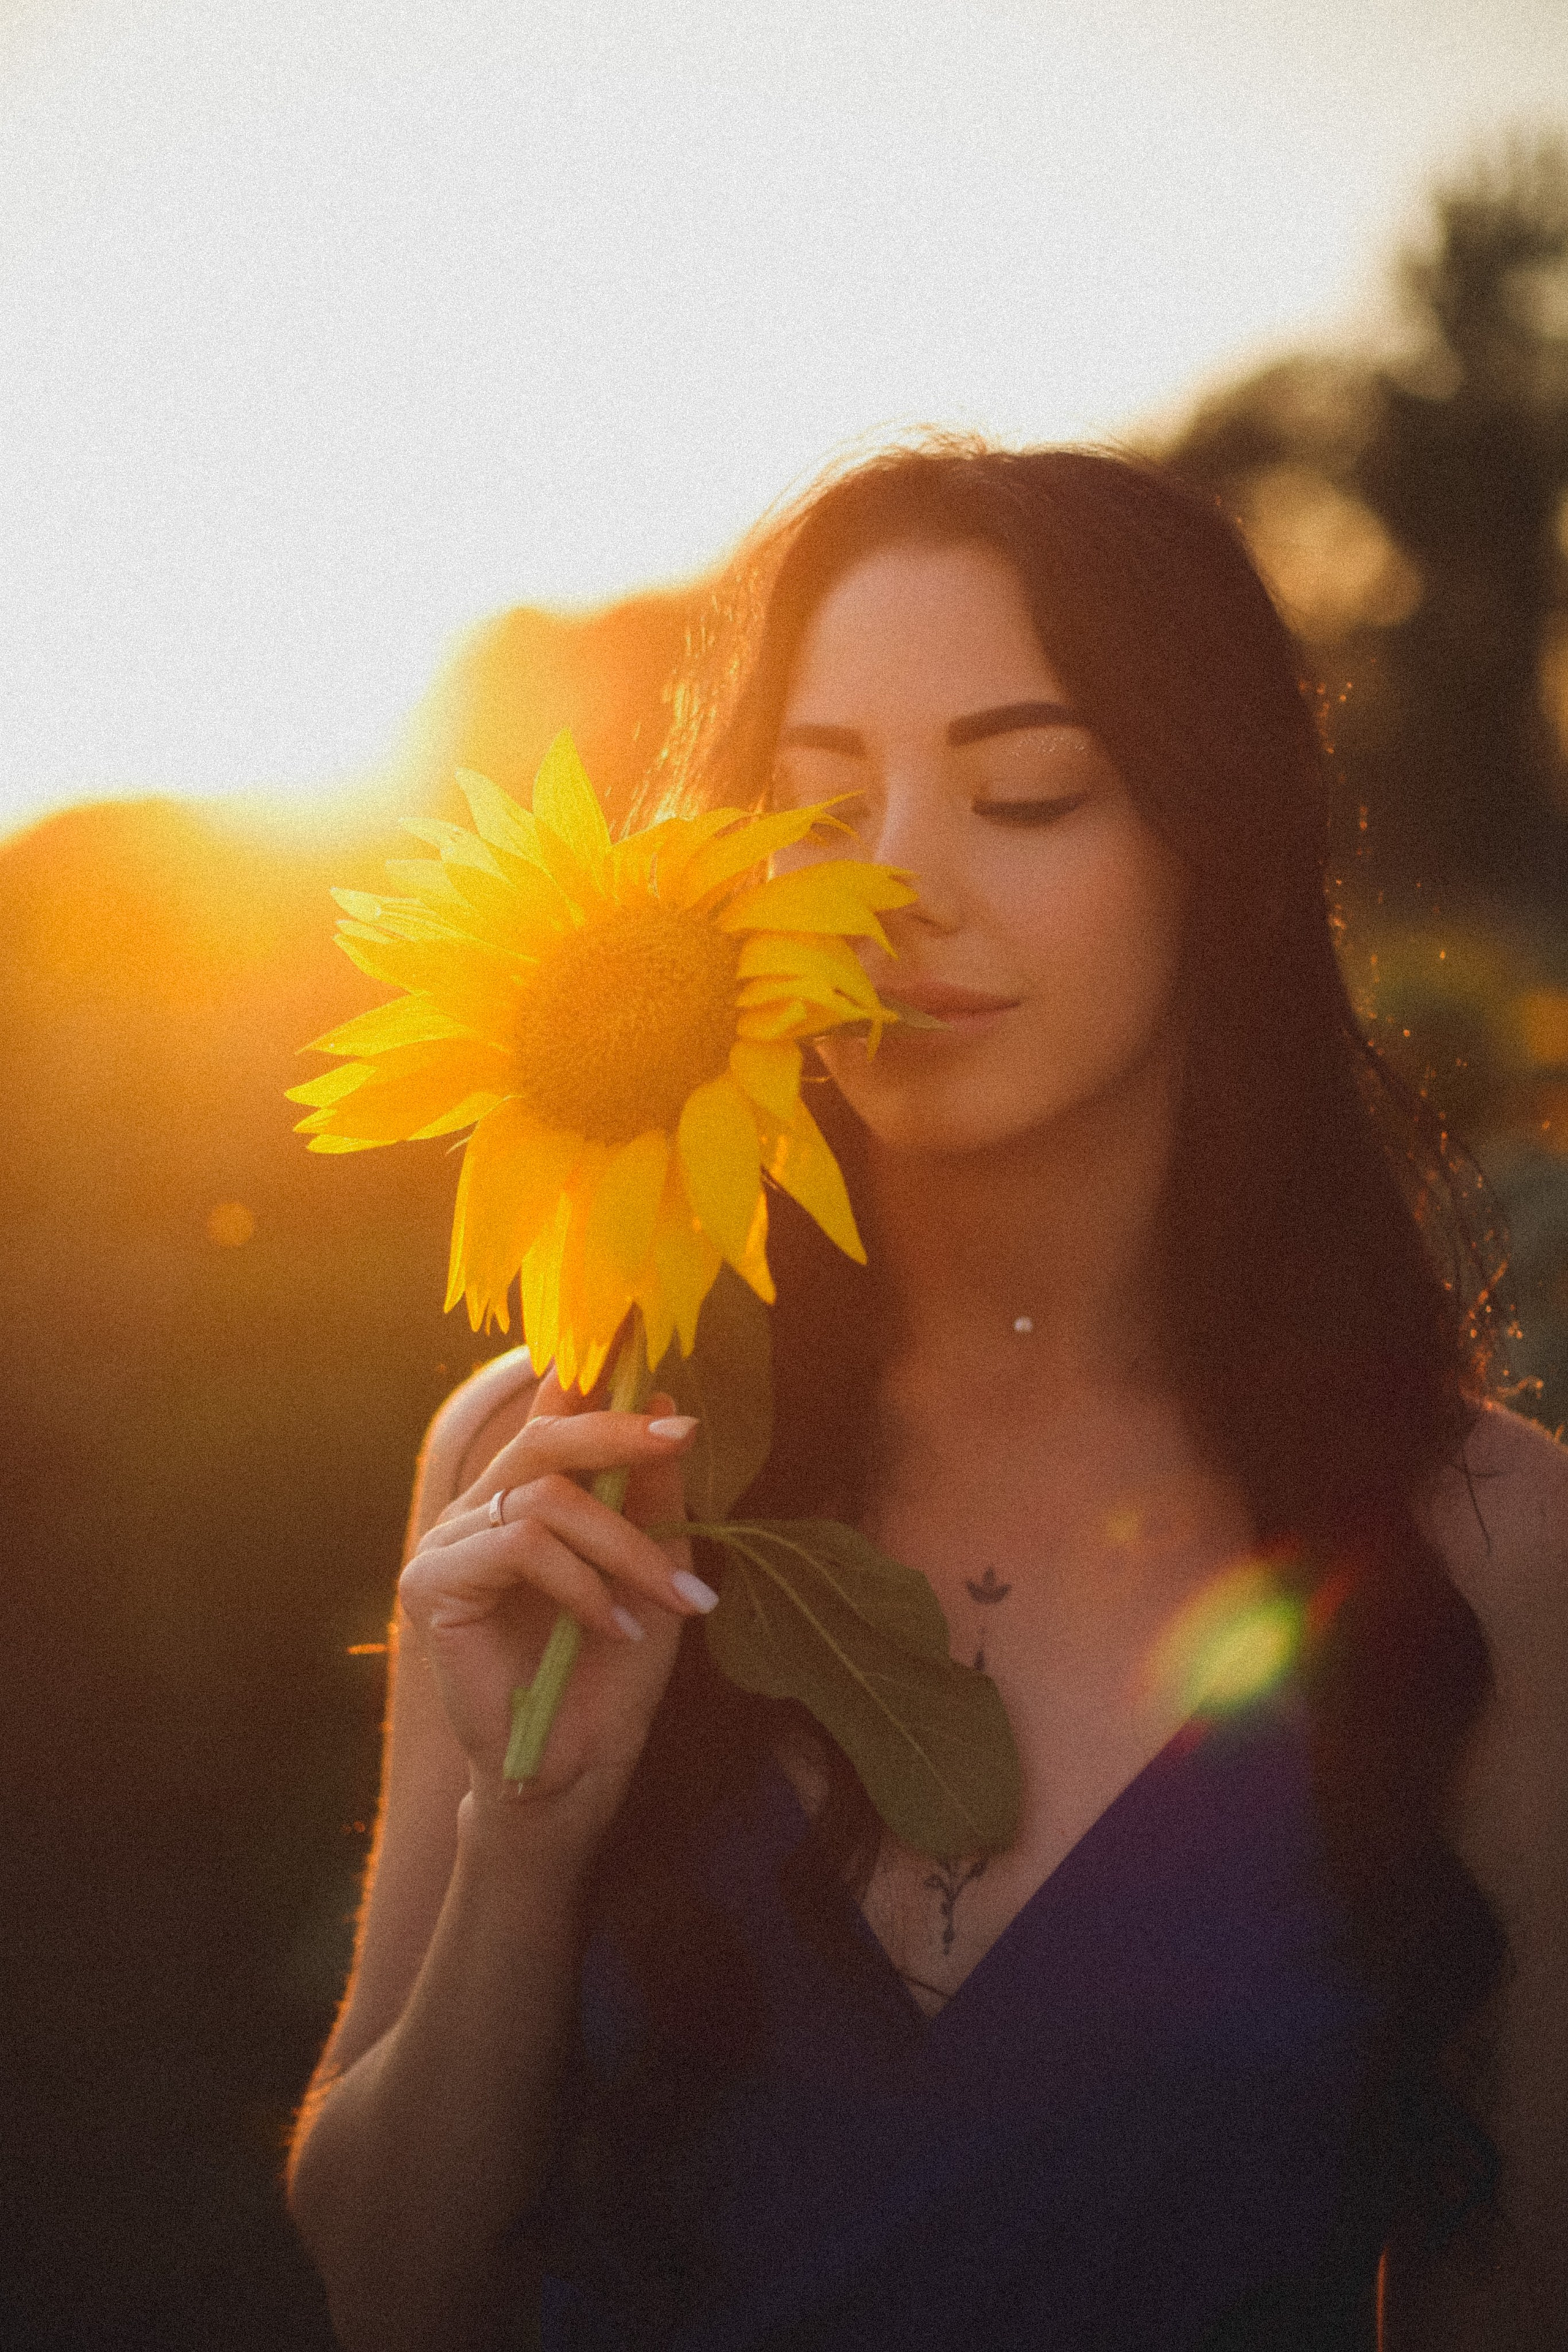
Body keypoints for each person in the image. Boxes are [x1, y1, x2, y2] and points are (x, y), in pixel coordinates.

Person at [286, 443, 1568, 2351]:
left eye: (1026, 792)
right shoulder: (556, 1464)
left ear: (1213, 847)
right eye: (817, 804)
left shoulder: (1493, 1543)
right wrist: (524, 1845)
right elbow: (388, 2288)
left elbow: (1504, 2287)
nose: (891, 888)